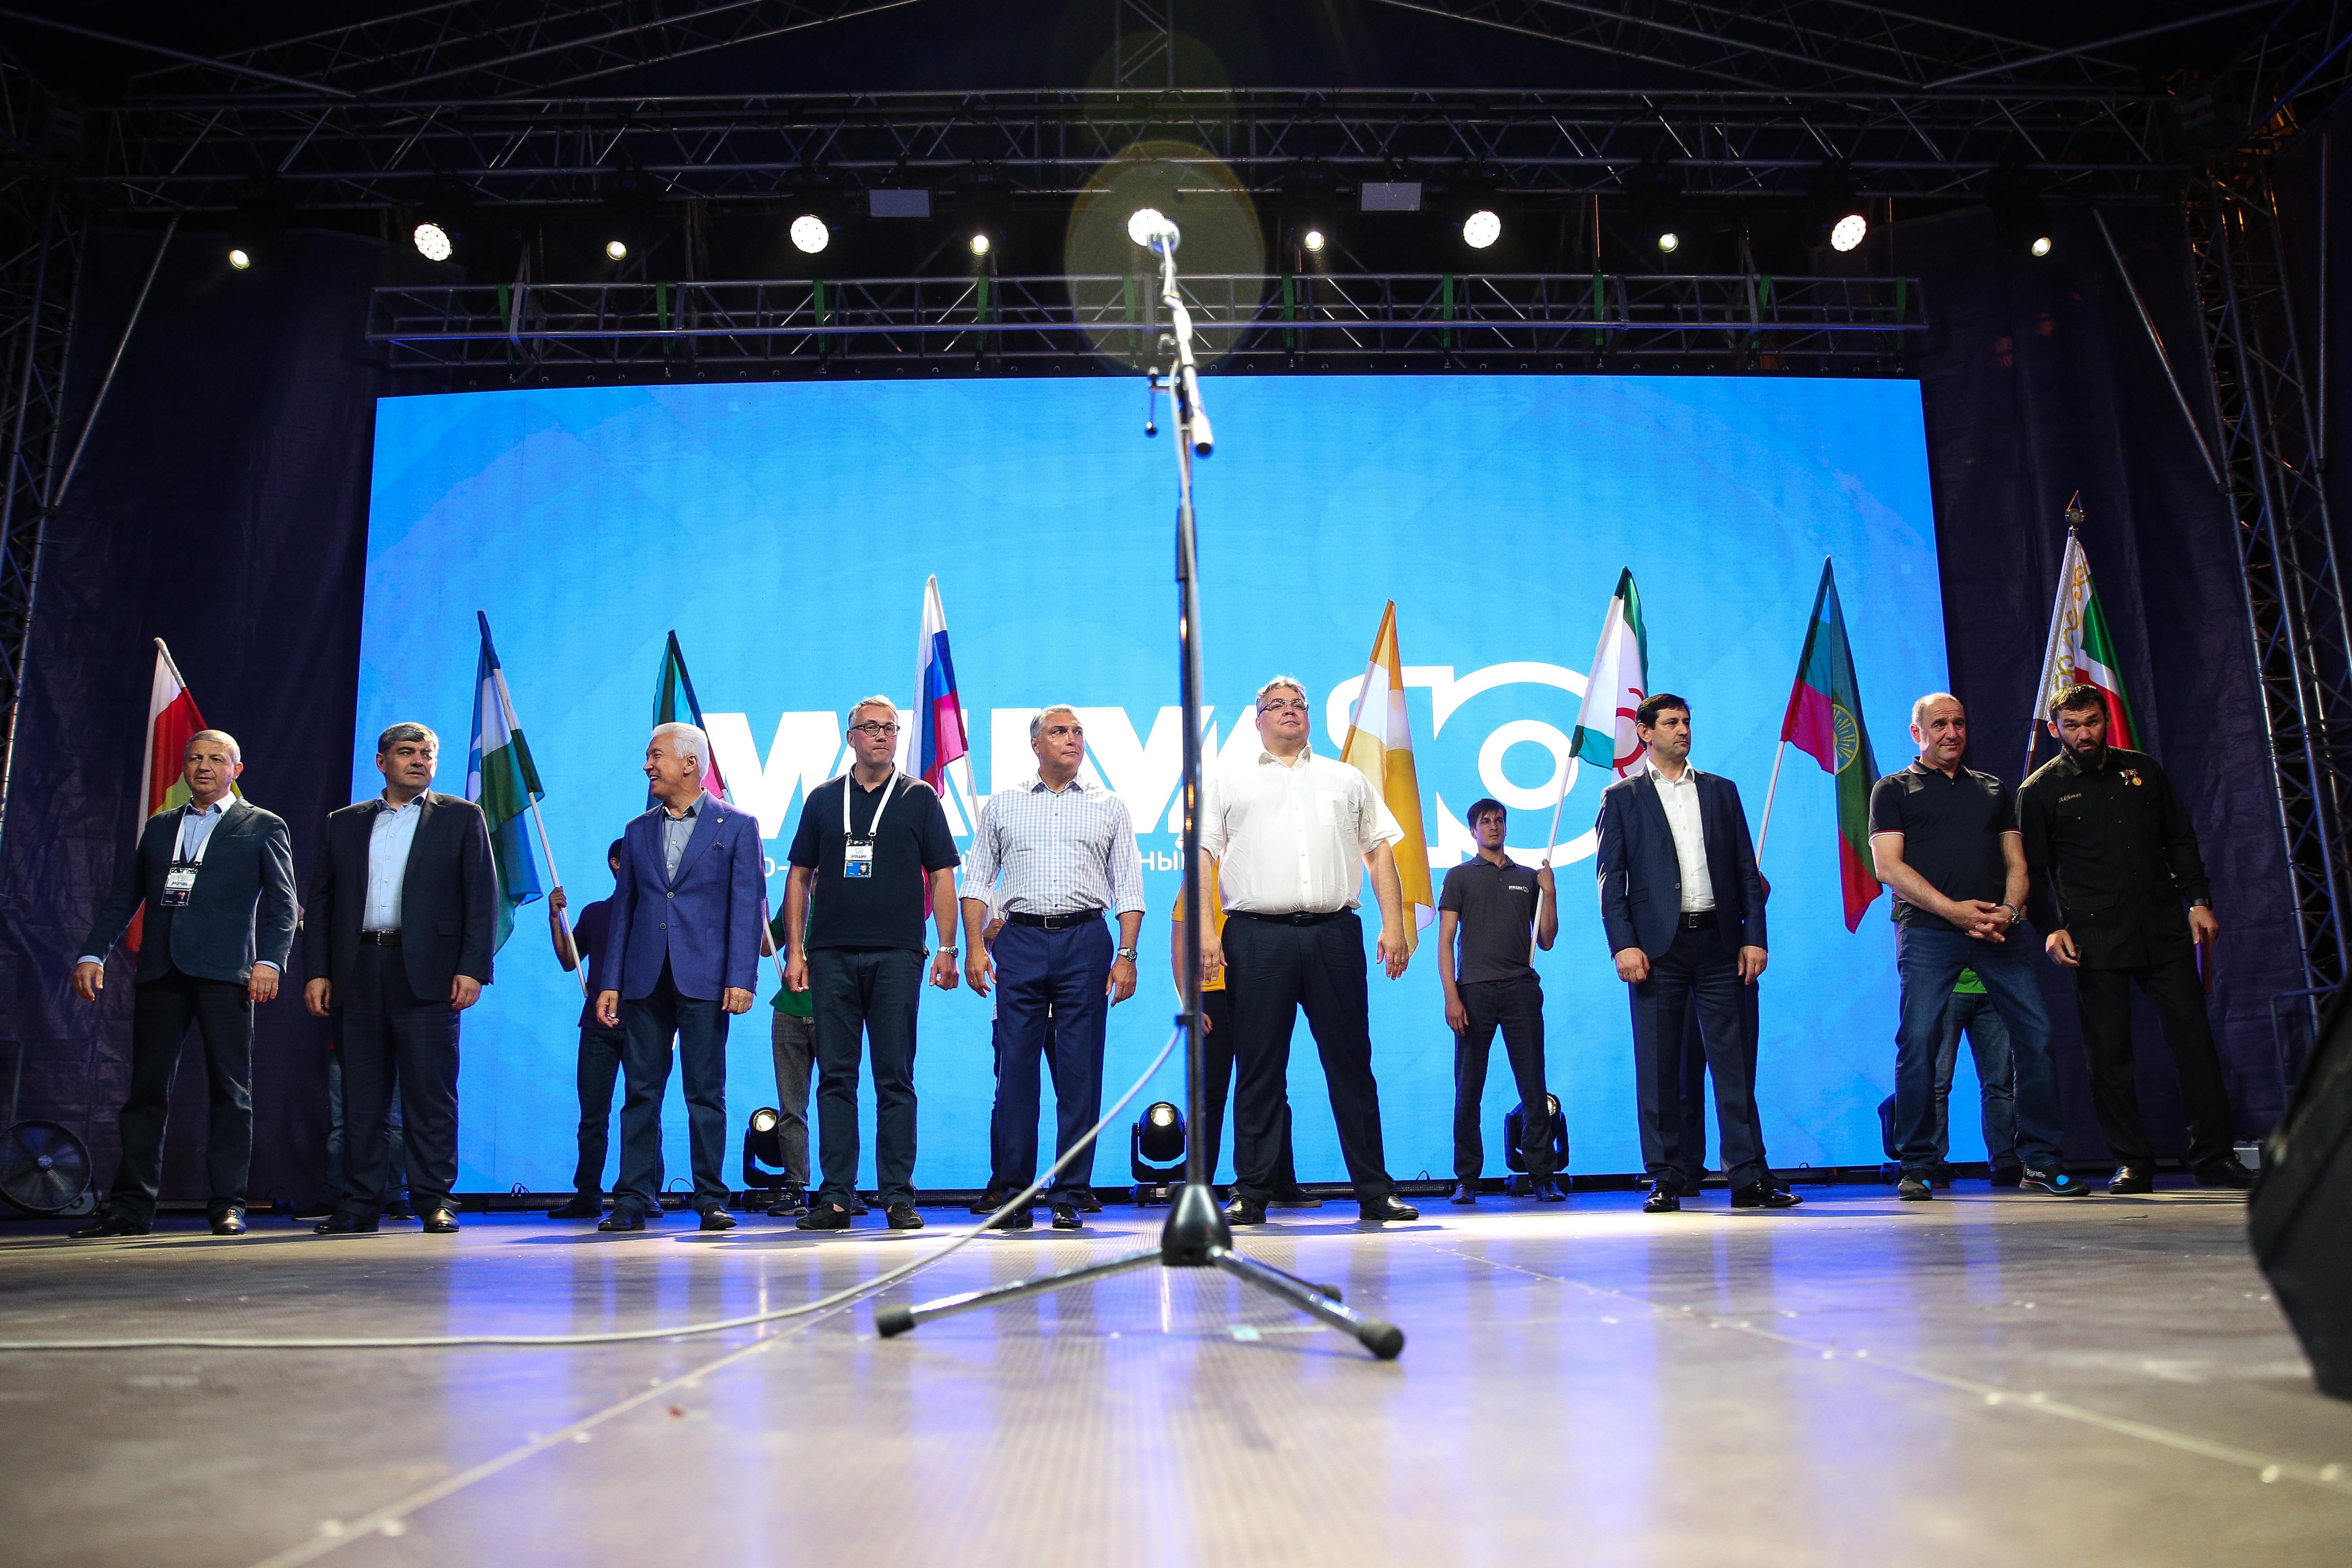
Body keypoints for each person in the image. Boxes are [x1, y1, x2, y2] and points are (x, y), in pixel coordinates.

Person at [1197, 676, 1419, 1227]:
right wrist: (1206, 933)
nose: (1290, 710)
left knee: (1352, 1064)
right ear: (1258, 720)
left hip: (1334, 934)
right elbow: (1202, 856)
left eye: (1298, 703)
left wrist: (1394, 924)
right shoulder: (1227, 779)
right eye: (1277, 705)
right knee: (1259, 1067)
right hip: (1256, 935)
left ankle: (1376, 1191)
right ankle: (1252, 1192)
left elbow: (1380, 852)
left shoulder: (1346, 778)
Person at [2018, 683, 2254, 1192]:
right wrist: (2050, 926)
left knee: (2195, 1043)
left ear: (2106, 720)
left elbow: (2180, 837)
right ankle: (2133, 1161)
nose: (2085, 734)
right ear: (2056, 729)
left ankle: (2214, 1156)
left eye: (2092, 722)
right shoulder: (2039, 790)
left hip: (2163, 927)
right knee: (2109, 1057)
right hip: (2094, 937)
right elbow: (2030, 871)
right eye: (2073, 725)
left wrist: (2198, 899)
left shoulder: (2143, 769)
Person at [70, 730, 296, 1238]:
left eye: (216, 758)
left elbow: (285, 905)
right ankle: (130, 1207)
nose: (204, 766)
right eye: (195, 758)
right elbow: (124, 896)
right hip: (162, 969)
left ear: (237, 769)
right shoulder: (161, 825)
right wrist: (92, 951)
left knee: (231, 1092)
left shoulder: (262, 825)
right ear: (185, 767)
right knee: (145, 1091)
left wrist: (270, 961)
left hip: (228, 973)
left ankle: (228, 1203)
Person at [1870, 692, 2089, 1201]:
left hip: (1997, 933)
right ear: (1917, 733)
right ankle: (1919, 1162)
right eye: (1940, 724)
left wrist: (2009, 912)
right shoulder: (1893, 789)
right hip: (1930, 934)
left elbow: (2018, 864)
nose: (1952, 732)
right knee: (1918, 1043)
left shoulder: (1992, 788)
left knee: (2037, 1037)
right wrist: (1955, 911)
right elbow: (1888, 867)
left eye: (1959, 723)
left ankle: (2041, 1159)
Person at [1595, 694, 1797, 1213]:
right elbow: (1611, 880)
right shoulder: (1621, 797)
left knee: (1735, 1065)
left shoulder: (1720, 790)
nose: (1683, 729)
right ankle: (1666, 1176)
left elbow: (1747, 871)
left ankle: (1748, 1176)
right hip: (1657, 950)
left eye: (1687, 721)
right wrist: (1624, 944)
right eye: (1671, 722)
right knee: (1658, 1065)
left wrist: (1755, 936)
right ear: (1645, 732)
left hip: (1721, 943)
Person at [303, 723, 495, 1235]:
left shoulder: (462, 816)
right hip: (357, 969)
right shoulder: (344, 822)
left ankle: (435, 1200)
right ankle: (360, 1203)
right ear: (381, 761)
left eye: (427, 753)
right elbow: (321, 905)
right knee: (362, 1097)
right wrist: (318, 971)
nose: (418, 760)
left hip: (430, 973)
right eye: (406, 752)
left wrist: (472, 968)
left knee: (430, 1094)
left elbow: (482, 900)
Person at [960, 705, 1146, 1230]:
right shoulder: (1004, 804)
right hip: (1018, 939)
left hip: (1086, 940)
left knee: (1080, 1073)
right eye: (1059, 731)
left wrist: (1127, 954)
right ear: (1036, 744)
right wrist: (974, 947)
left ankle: (1069, 1191)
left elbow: (1130, 888)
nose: (1072, 739)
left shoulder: (1110, 806)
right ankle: (1015, 1193)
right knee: (1015, 1072)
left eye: (1078, 731)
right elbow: (977, 881)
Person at [784, 697, 960, 1232]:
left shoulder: (920, 796)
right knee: (835, 1077)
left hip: (897, 954)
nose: (882, 735)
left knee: (895, 1077)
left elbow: (943, 875)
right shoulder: (822, 799)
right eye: (871, 727)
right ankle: (836, 1196)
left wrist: (947, 947)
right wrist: (796, 950)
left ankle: (898, 1197)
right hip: (831, 954)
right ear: (851, 736)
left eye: (890, 727)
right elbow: (798, 876)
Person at [594, 723, 765, 1233]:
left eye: (656, 755)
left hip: (707, 979)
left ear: (690, 763)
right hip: (644, 978)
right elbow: (625, 909)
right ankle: (632, 1198)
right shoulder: (637, 829)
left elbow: (748, 907)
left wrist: (742, 977)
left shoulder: (738, 825)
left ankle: (711, 1198)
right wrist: (610, 981)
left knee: (705, 1093)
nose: (647, 765)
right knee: (640, 1093)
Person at [1439, 798, 1562, 1204]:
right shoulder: (1459, 876)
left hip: (1520, 990)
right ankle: (1467, 1179)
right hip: (1473, 992)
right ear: (1473, 830)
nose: (1493, 827)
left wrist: (1549, 893)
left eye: (1499, 821)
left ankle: (1542, 1176)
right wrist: (1452, 996)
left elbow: (1546, 940)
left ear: (1506, 827)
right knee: (1467, 1089)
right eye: (1485, 821)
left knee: (1533, 1086)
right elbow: (1445, 941)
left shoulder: (1527, 877)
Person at [1169, 859, 1313, 1201]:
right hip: (1211, 996)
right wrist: (1190, 1003)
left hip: (1259, 990)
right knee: (1209, 1094)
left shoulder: (1259, 867)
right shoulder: (1200, 876)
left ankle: (1278, 1182)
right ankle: (1199, 1183)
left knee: (1270, 1086)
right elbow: (1179, 942)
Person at [1872, 970, 2020, 1185]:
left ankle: (2005, 1162)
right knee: (1935, 1084)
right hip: (1943, 986)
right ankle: (1933, 1164)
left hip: (1993, 985)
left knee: (2000, 1084)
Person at [545, 839, 627, 1219]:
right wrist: (555, 918)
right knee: (593, 1116)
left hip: (645, 1025)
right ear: (615, 863)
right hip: (597, 1027)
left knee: (644, 1112)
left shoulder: (657, 914)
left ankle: (642, 1193)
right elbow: (569, 960)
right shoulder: (596, 913)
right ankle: (588, 1195)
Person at [760, 897, 814, 1219]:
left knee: (839, 1101)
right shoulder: (796, 902)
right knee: (791, 1107)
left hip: (836, 1009)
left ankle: (842, 1188)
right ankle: (796, 1186)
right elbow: (766, 948)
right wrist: (760, 916)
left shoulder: (846, 896)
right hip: (789, 1010)